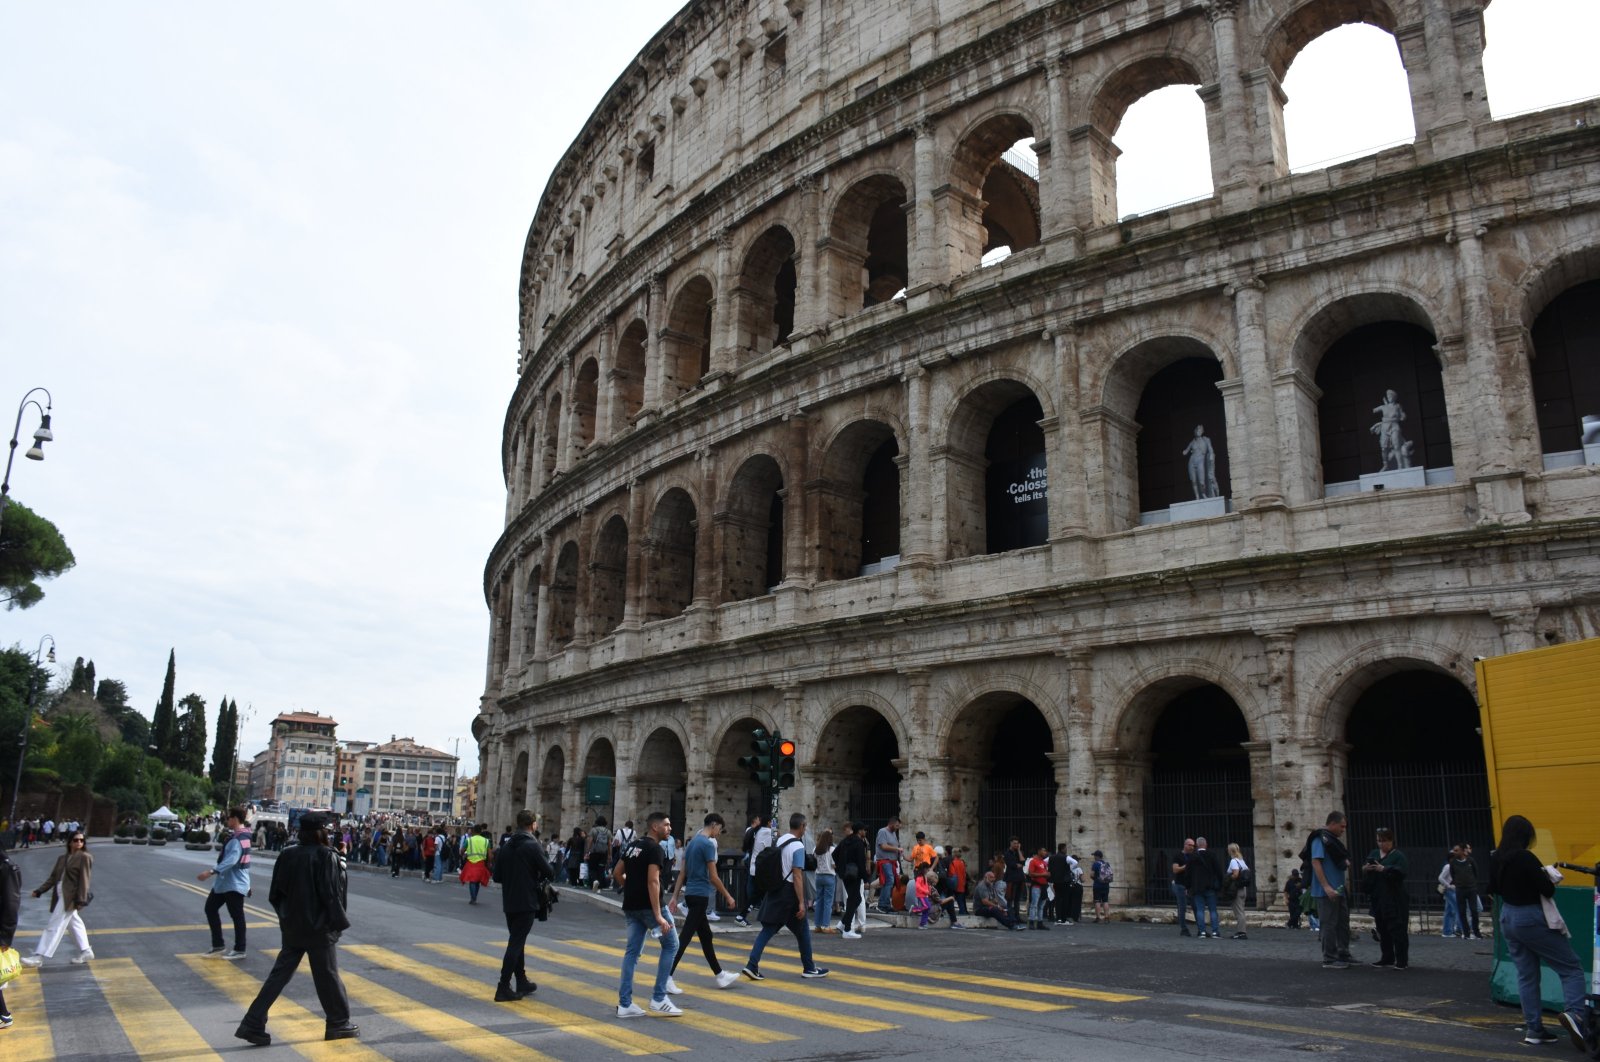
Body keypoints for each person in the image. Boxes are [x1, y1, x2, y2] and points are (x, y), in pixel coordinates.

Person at [234, 813, 358, 1046]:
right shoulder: (326, 856)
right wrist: (339, 922)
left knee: (279, 976)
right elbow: (332, 894)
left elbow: (276, 894)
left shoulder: (287, 854)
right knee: (328, 976)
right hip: (319, 928)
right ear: (322, 833)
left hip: (293, 926)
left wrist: (287, 917)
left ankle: (252, 1022)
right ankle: (338, 1022)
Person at [1489, 814, 1590, 1049]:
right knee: (1571, 968)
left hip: (1508, 917)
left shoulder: (1496, 857)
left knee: (1526, 975)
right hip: (1530, 917)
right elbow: (1546, 889)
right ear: (1525, 836)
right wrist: (1546, 875)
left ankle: (1534, 1029)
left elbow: (1491, 887)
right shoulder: (1525, 857)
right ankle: (1576, 1015)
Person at [742, 813, 829, 981]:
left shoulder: (781, 840)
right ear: (802, 826)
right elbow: (797, 875)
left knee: (794, 930)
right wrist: (802, 902)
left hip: (776, 889)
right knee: (786, 930)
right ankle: (753, 965)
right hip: (789, 894)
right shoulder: (797, 846)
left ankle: (808, 966)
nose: (805, 830)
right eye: (805, 827)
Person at [615, 811, 683, 1018]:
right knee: (671, 945)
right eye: (667, 825)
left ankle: (625, 1004)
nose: (670, 829)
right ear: (655, 827)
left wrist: (631, 888)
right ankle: (659, 998)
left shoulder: (633, 846)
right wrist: (658, 915)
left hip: (630, 905)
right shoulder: (655, 849)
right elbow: (653, 881)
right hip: (649, 907)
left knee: (632, 953)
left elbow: (617, 873)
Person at [667, 813, 741, 989]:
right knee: (684, 938)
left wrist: (675, 896)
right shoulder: (707, 845)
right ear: (714, 825)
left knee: (706, 936)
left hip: (690, 894)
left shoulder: (692, 843)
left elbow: (683, 872)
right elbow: (714, 877)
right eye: (719, 830)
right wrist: (728, 895)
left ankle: (720, 975)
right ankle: (666, 976)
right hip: (700, 895)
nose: (719, 834)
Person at [492, 809, 554, 1001]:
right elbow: (549, 872)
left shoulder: (506, 846)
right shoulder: (532, 845)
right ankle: (503, 986)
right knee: (516, 943)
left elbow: (497, 876)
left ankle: (522, 980)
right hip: (527, 900)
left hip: (509, 900)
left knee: (517, 941)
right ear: (532, 825)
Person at [20, 830, 94, 967]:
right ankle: (86, 951)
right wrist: (40, 890)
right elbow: (54, 878)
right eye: (76, 840)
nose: (79, 843)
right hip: (60, 894)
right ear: (70, 842)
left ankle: (39, 956)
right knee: (74, 924)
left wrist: (81, 899)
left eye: (81, 840)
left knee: (54, 925)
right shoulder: (62, 858)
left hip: (71, 897)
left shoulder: (85, 857)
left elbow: (85, 880)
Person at [199, 805, 253, 959]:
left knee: (236, 916)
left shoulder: (238, 839)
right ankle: (218, 945)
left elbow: (232, 861)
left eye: (228, 818)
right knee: (211, 908)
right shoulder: (241, 836)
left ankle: (240, 949)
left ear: (235, 819)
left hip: (233, 884)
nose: (226, 820)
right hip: (226, 883)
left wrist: (210, 872)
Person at [1309, 811, 1354, 969]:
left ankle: (1343, 953)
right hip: (1326, 891)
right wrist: (1326, 887)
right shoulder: (1319, 839)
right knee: (1329, 924)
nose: (1343, 830)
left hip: (1339, 890)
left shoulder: (1333, 840)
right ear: (1332, 823)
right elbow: (1316, 862)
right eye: (1341, 826)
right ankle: (1329, 958)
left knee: (1343, 922)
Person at [1362, 827, 1409, 969]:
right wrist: (1365, 869)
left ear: (1391, 841)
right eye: (1378, 841)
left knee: (1397, 929)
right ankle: (1387, 957)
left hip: (1394, 898)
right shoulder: (1375, 853)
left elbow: (1402, 872)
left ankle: (1402, 960)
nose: (1381, 844)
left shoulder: (1398, 856)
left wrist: (1384, 869)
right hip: (1378, 897)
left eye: (1384, 841)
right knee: (1382, 928)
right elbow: (1365, 868)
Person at [834, 821, 869, 938]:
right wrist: (866, 878)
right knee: (854, 900)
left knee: (855, 899)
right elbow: (861, 862)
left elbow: (834, 854)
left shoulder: (845, 841)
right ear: (859, 831)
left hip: (845, 874)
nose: (866, 832)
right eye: (864, 830)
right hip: (855, 875)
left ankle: (842, 923)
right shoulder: (859, 843)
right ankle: (847, 929)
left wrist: (841, 867)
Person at [1, 840, 20, 1031]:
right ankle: (3, 1015)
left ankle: (4, 1016)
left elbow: (11, 904)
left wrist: (6, 937)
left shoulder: (8, 868)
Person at [1186, 838, 1221, 939]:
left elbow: (1188, 873)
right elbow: (1218, 871)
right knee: (1213, 910)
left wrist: (1188, 886)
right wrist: (1219, 884)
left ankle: (1202, 932)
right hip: (1210, 887)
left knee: (1200, 910)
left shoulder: (1192, 857)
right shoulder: (1212, 855)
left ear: (1197, 845)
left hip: (1197, 888)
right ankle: (1215, 932)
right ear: (1206, 845)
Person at [1369, 389, 1411, 470]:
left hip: (1394, 426)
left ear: (1394, 397)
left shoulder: (1397, 406)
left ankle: (1400, 465)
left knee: (1396, 446)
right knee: (1384, 448)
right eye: (1388, 396)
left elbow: (1403, 415)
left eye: (1391, 396)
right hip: (1385, 427)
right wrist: (1379, 408)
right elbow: (1374, 410)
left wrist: (1403, 416)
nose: (1389, 397)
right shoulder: (1384, 407)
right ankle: (1385, 464)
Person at [1448, 844, 1482, 939]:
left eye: (1456, 850)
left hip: (1471, 888)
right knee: (1462, 912)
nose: (1454, 852)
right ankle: (1466, 933)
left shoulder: (1470, 860)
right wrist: (1458, 883)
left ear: (1463, 851)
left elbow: (1476, 872)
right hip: (1460, 889)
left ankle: (1476, 932)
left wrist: (1472, 883)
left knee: (1474, 910)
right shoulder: (1453, 863)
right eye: (1454, 850)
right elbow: (1453, 874)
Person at [1181, 424, 1219, 499]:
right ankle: (1197, 496)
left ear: (1202, 431)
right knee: (1194, 481)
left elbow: (1210, 449)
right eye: (1198, 430)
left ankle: (1203, 493)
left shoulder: (1206, 440)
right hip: (1192, 461)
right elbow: (1186, 451)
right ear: (1195, 431)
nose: (1199, 431)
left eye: (1200, 430)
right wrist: (1184, 452)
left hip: (1200, 460)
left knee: (1202, 480)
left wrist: (1211, 454)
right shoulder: (1192, 442)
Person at [873, 817, 902, 913]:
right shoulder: (882, 831)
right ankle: (882, 905)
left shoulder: (893, 833)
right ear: (892, 823)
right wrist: (897, 849)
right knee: (889, 880)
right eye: (897, 825)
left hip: (891, 861)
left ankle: (885, 904)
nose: (898, 827)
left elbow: (896, 846)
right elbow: (883, 846)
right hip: (885, 861)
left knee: (888, 882)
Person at [812, 829, 838, 934]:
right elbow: (834, 865)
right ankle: (826, 925)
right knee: (828, 902)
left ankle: (817, 925)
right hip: (829, 876)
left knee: (819, 901)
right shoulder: (832, 849)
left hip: (818, 876)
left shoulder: (816, 849)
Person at [460, 823, 492, 904]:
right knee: (477, 881)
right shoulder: (486, 841)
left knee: (472, 881)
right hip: (481, 863)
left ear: (473, 831)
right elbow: (490, 855)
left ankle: (473, 898)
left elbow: (462, 850)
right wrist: (489, 863)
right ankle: (475, 897)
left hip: (471, 863)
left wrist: (463, 854)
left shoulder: (469, 840)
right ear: (481, 831)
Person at [1223, 843, 1250, 939]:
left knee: (1239, 912)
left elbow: (1235, 874)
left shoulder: (1233, 861)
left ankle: (1241, 932)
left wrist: (1227, 878)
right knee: (1241, 910)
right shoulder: (1241, 861)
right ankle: (1241, 931)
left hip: (1236, 889)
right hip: (1243, 889)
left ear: (1230, 850)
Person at [1171, 839, 1194, 936]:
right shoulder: (1178, 856)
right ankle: (1183, 928)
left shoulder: (1193, 856)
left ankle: (1201, 929)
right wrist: (1186, 867)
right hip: (1180, 884)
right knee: (1182, 907)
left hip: (1191, 885)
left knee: (1195, 906)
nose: (1192, 847)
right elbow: (1175, 870)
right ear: (1185, 845)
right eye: (1190, 845)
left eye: (1193, 845)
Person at [1025, 847, 1051, 930]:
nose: (1045, 852)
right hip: (1036, 886)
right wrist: (1043, 875)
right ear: (1039, 851)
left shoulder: (1044, 862)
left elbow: (1046, 873)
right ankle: (1031, 922)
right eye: (1044, 850)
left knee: (1041, 906)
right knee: (1034, 904)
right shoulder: (1033, 861)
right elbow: (1031, 873)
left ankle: (1040, 922)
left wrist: (1047, 875)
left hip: (1044, 885)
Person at [1437, 858, 1461, 938]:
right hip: (1449, 890)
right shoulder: (1448, 866)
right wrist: (1448, 885)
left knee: (1450, 910)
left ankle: (1448, 931)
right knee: (1456, 908)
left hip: (1451, 889)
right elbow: (1440, 877)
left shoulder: (1454, 866)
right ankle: (1452, 930)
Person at [587, 816, 612, 892]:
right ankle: (599, 886)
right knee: (601, 869)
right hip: (603, 853)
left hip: (594, 853)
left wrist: (588, 851)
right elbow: (609, 844)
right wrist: (609, 855)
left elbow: (590, 841)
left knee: (592, 868)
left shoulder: (593, 830)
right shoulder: (608, 831)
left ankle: (594, 881)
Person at [1090, 849, 1114, 922]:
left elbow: (1091, 875)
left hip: (1097, 885)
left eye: (1094, 855)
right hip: (1106, 885)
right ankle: (1106, 917)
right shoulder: (1107, 863)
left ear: (1097, 856)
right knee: (1105, 901)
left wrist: (1095, 878)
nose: (1094, 857)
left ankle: (1098, 917)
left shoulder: (1095, 864)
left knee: (1097, 901)